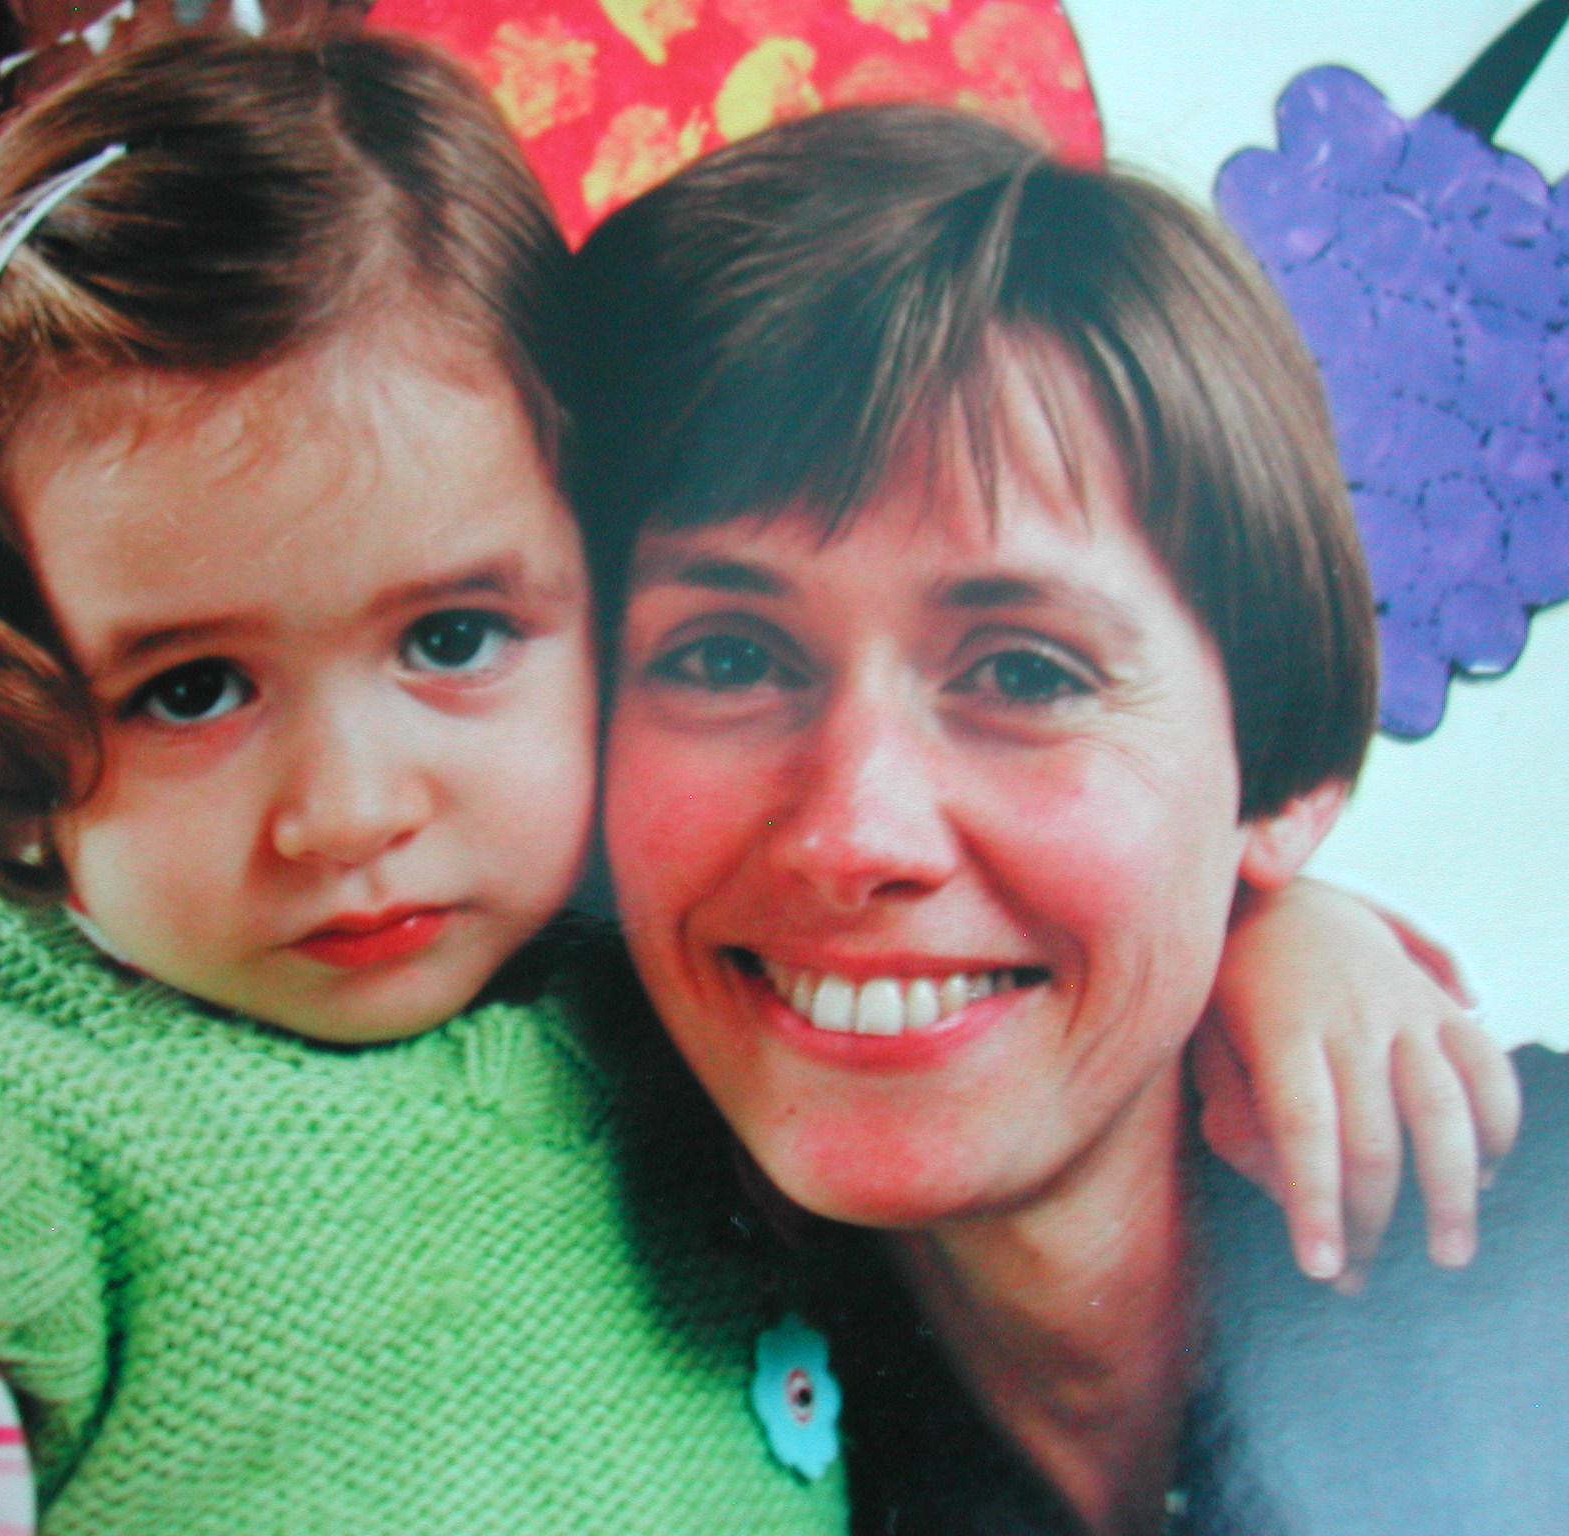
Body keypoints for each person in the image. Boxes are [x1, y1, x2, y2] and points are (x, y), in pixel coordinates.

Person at [0, 32, 1512, 1536]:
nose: (352, 811)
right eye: (190, 688)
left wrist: (1272, 932)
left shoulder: (640, 1019)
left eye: (452, 638)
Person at [575, 102, 1560, 1535]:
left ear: (1283, 777)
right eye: (727, 657)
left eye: (1026, 672)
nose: (854, 834)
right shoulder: (630, 1360)